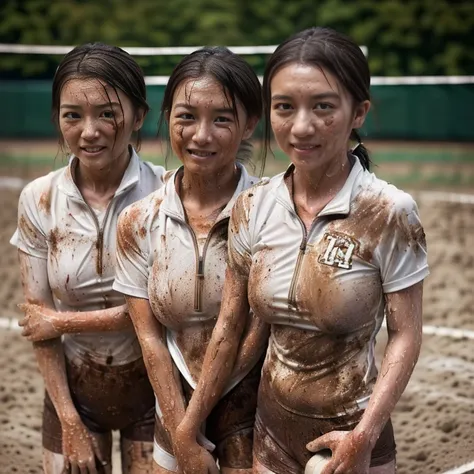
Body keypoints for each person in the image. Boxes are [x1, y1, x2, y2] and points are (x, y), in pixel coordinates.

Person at [174, 27, 430, 474]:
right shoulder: (251, 208)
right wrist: (188, 425)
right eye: (284, 107)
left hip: (352, 438)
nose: (302, 127)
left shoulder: (388, 211)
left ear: (359, 112)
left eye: (324, 107)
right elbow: (230, 326)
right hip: (270, 437)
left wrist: (363, 437)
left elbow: (405, 334)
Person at [12, 43, 167, 473]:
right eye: (72, 115)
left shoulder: (166, 195)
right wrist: (69, 421)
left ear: (138, 116)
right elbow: (37, 316)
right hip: (74, 390)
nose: (89, 131)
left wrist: (63, 321)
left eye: (107, 112)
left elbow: (155, 311)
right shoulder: (38, 199)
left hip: (154, 388)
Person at [113, 47, 267, 474]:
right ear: (167, 118)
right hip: (174, 404)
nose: (201, 135)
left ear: (250, 123)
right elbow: (150, 340)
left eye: (222, 118)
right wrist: (180, 430)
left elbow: (253, 334)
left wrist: (191, 426)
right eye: (186, 117)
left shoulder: (272, 210)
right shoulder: (139, 220)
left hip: (254, 408)